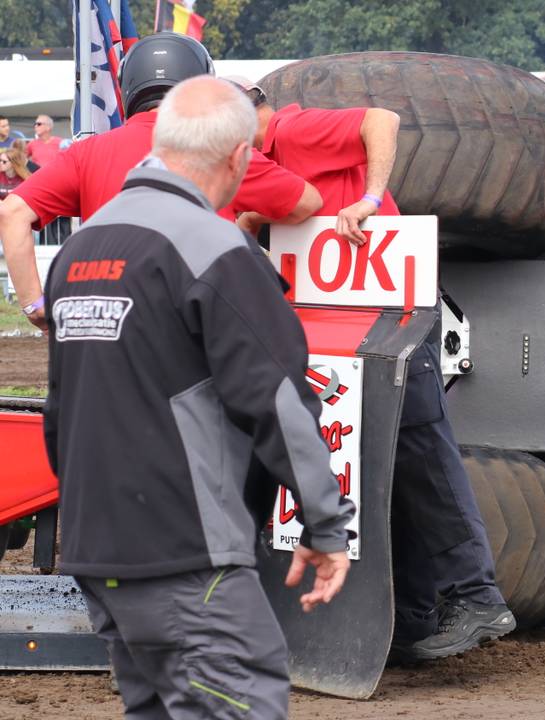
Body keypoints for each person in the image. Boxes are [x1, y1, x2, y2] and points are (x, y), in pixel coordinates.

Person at [44, 75, 355, 720]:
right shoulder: (215, 248)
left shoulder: (79, 248)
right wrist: (325, 524)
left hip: (97, 553)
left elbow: (59, 411)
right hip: (188, 557)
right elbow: (278, 402)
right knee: (243, 703)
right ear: (241, 156)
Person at [227, 75, 517, 660]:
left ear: (253, 115)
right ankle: (412, 614)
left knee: (420, 451)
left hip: (389, 311)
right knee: (385, 468)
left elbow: (380, 119)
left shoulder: (290, 130)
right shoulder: (262, 161)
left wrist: (368, 196)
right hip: (353, 318)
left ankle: (477, 594)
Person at [0, 32, 322, 332]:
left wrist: (35, 305)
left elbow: (12, 212)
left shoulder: (86, 153)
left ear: (128, 89)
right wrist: (250, 217)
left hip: (108, 326)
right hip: (193, 325)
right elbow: (306, 202)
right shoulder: (220, 149)